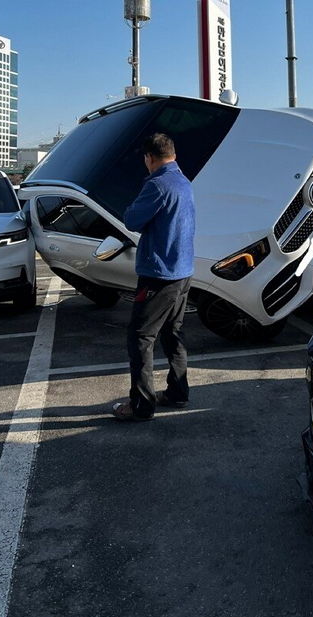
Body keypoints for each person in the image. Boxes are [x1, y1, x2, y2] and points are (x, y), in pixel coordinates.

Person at [112, 133, 195, 421]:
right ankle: (177, 393)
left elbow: (132, 219)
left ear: (149, 158)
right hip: (182, 272)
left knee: (140, 337)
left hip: (159, 275)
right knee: (173, 334)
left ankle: (141, 405)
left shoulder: (157, 185)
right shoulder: (184, 182)